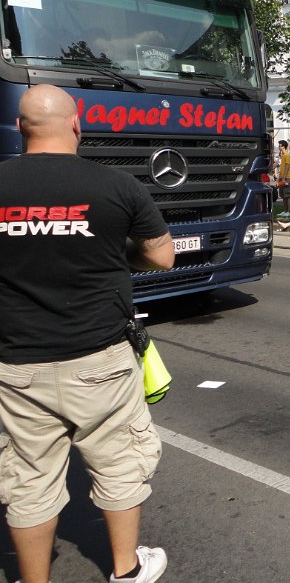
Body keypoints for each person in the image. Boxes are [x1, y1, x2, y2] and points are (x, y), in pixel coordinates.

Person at [0, 84, 174, 583]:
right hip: (100, 358)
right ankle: (126, 570)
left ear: (21, 128)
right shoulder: (116, 185)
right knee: (119, 463)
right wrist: (115, 253)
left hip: (17, 362)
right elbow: (161, 256)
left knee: (29, 480)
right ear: (76, 125)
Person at [276, 139, 290, 217]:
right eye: (279, 146)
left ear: (284, 147)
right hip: (282, 177)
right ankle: (285, 211)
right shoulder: (282, 156)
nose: (279, 147)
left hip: (287, 177)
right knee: (283, 195)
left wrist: (284, 177)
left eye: (280, 146)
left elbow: (287, 167)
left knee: (288, 195)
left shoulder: (287, 155)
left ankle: (289, 212)